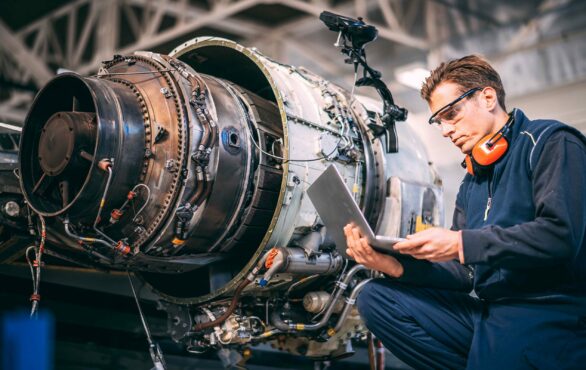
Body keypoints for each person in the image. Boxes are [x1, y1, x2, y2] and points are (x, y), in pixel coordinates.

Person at [344, 55, 586, 369]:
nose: (446, 131)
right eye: (439, 121)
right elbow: (464, 274)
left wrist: (461, 243)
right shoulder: (472, 179)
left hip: (552, 312)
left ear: (488, 97)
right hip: (490, 313)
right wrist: (392, 265)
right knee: (375, 298)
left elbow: (560, 236)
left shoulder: (551, 143)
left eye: (452, 114)